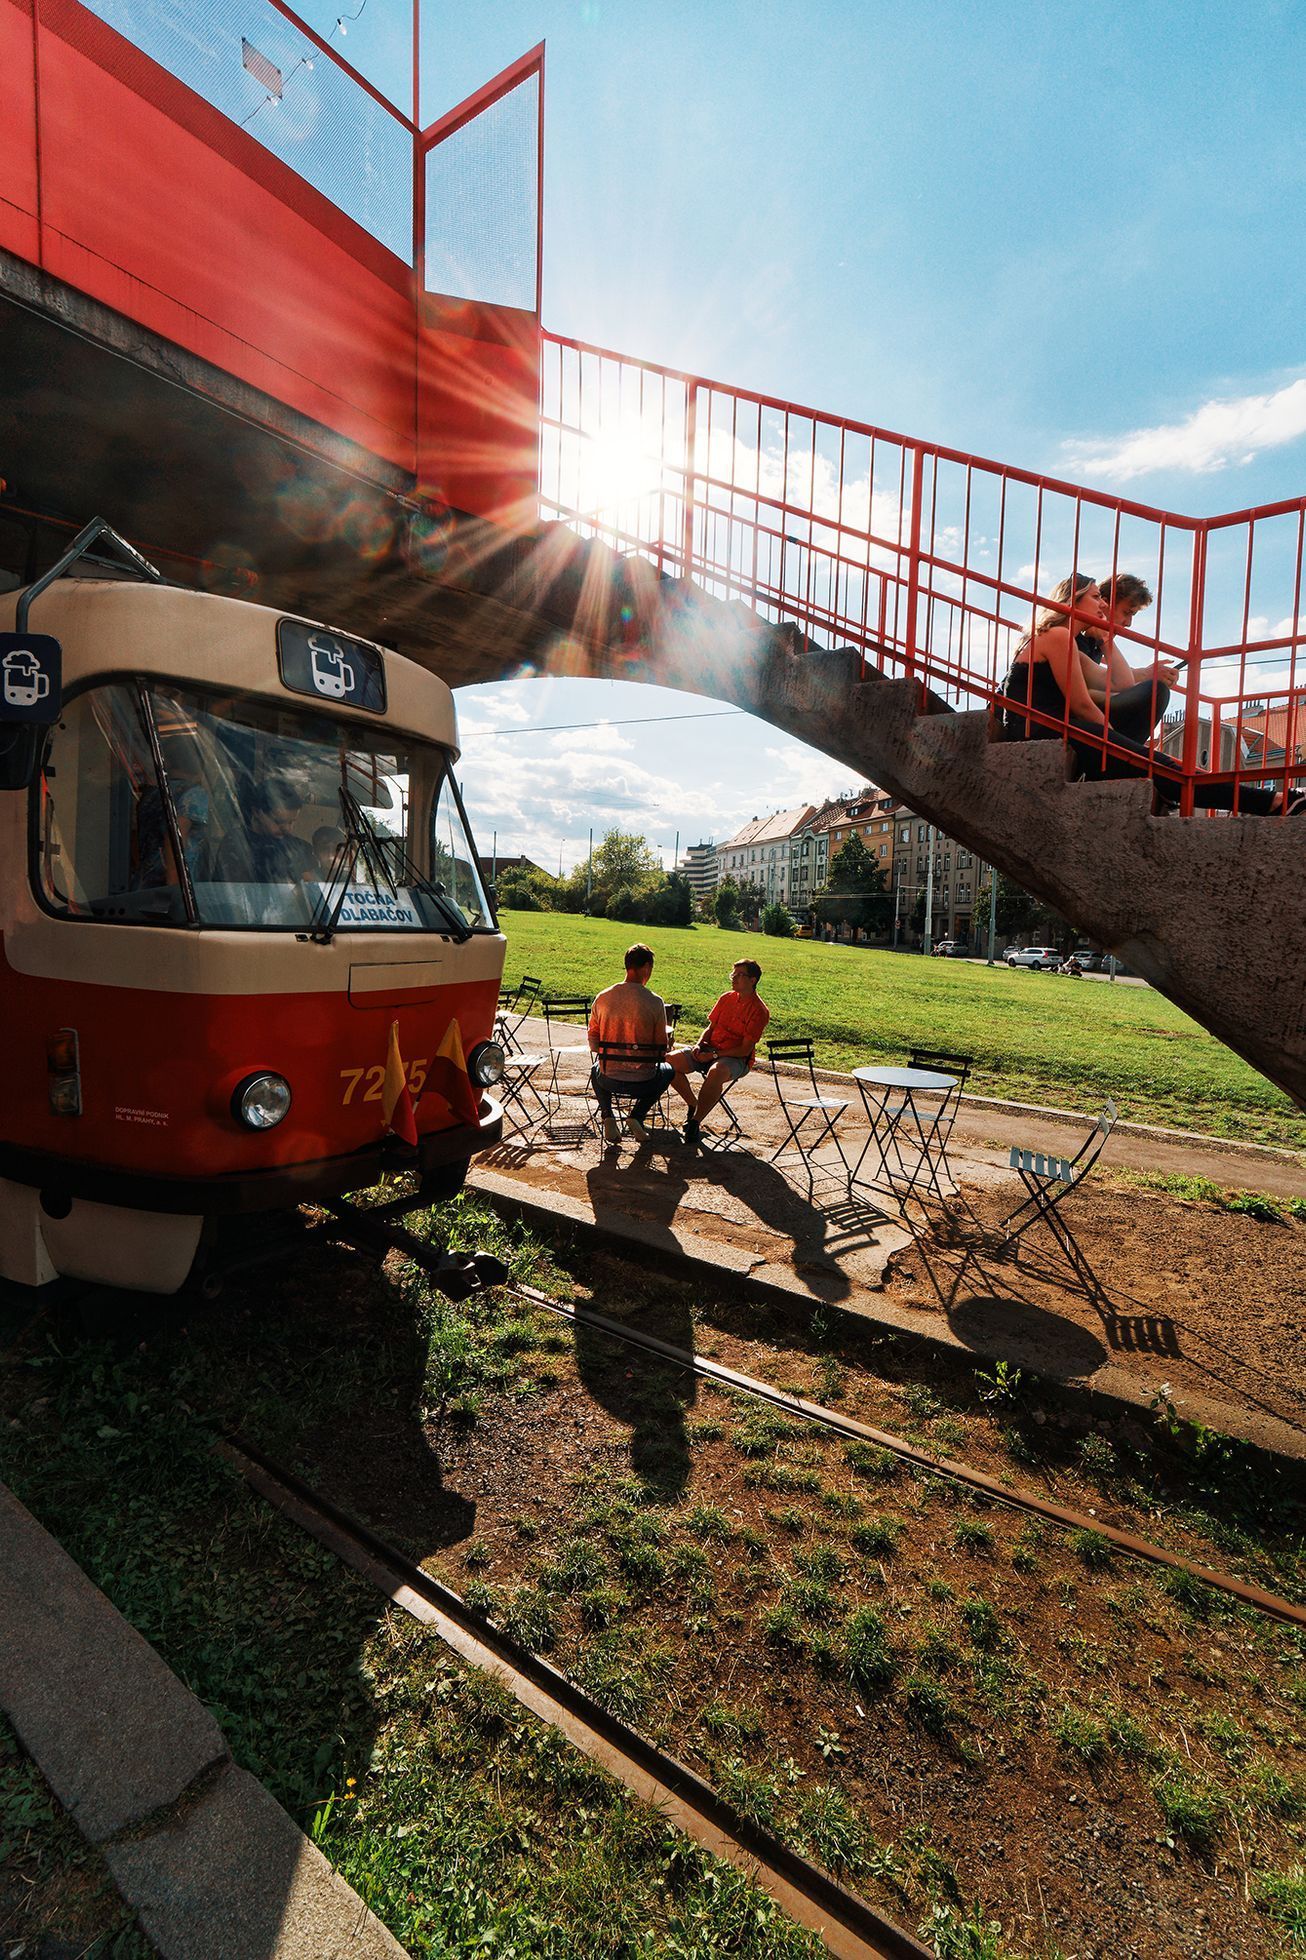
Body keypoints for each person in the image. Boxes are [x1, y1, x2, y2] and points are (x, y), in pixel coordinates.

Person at [1001, 574, 1302, 815]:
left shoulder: (1064, 639)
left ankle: (1270, 801)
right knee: (1160, 766)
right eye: (1095, 597)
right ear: (1072, 599)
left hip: (1059, 730)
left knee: (1160, 765)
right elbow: (1081, 704)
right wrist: (1115, 743)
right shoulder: (1057, 636)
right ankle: (1271, 802)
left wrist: (1106, 639)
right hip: (1041, 732)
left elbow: (1119, 681)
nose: (1103, 604)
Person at [669, 959, 770, 1144]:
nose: (734, 978)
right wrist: (700, 1044)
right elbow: (710, 1027)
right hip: (709, 1050)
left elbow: (744, 1049)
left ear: (753, 980)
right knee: (669, 1061)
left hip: (735, 1058)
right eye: (733, 974)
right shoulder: (726, 998)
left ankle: (694, 1122)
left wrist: (714, 1055)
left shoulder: (759, 1011)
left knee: (716, 1071)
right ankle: (694, 1104)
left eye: (740, 975)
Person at [588, 942, 674, 1144]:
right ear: (645, 968)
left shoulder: (603, 997)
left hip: (609, 1078)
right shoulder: (655, 1001)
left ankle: (608, 1116)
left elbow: (593, 1044)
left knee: (595, 1069)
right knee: (669, 1070)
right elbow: (661, 1049)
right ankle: (637, 1116)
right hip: (644, 1081)